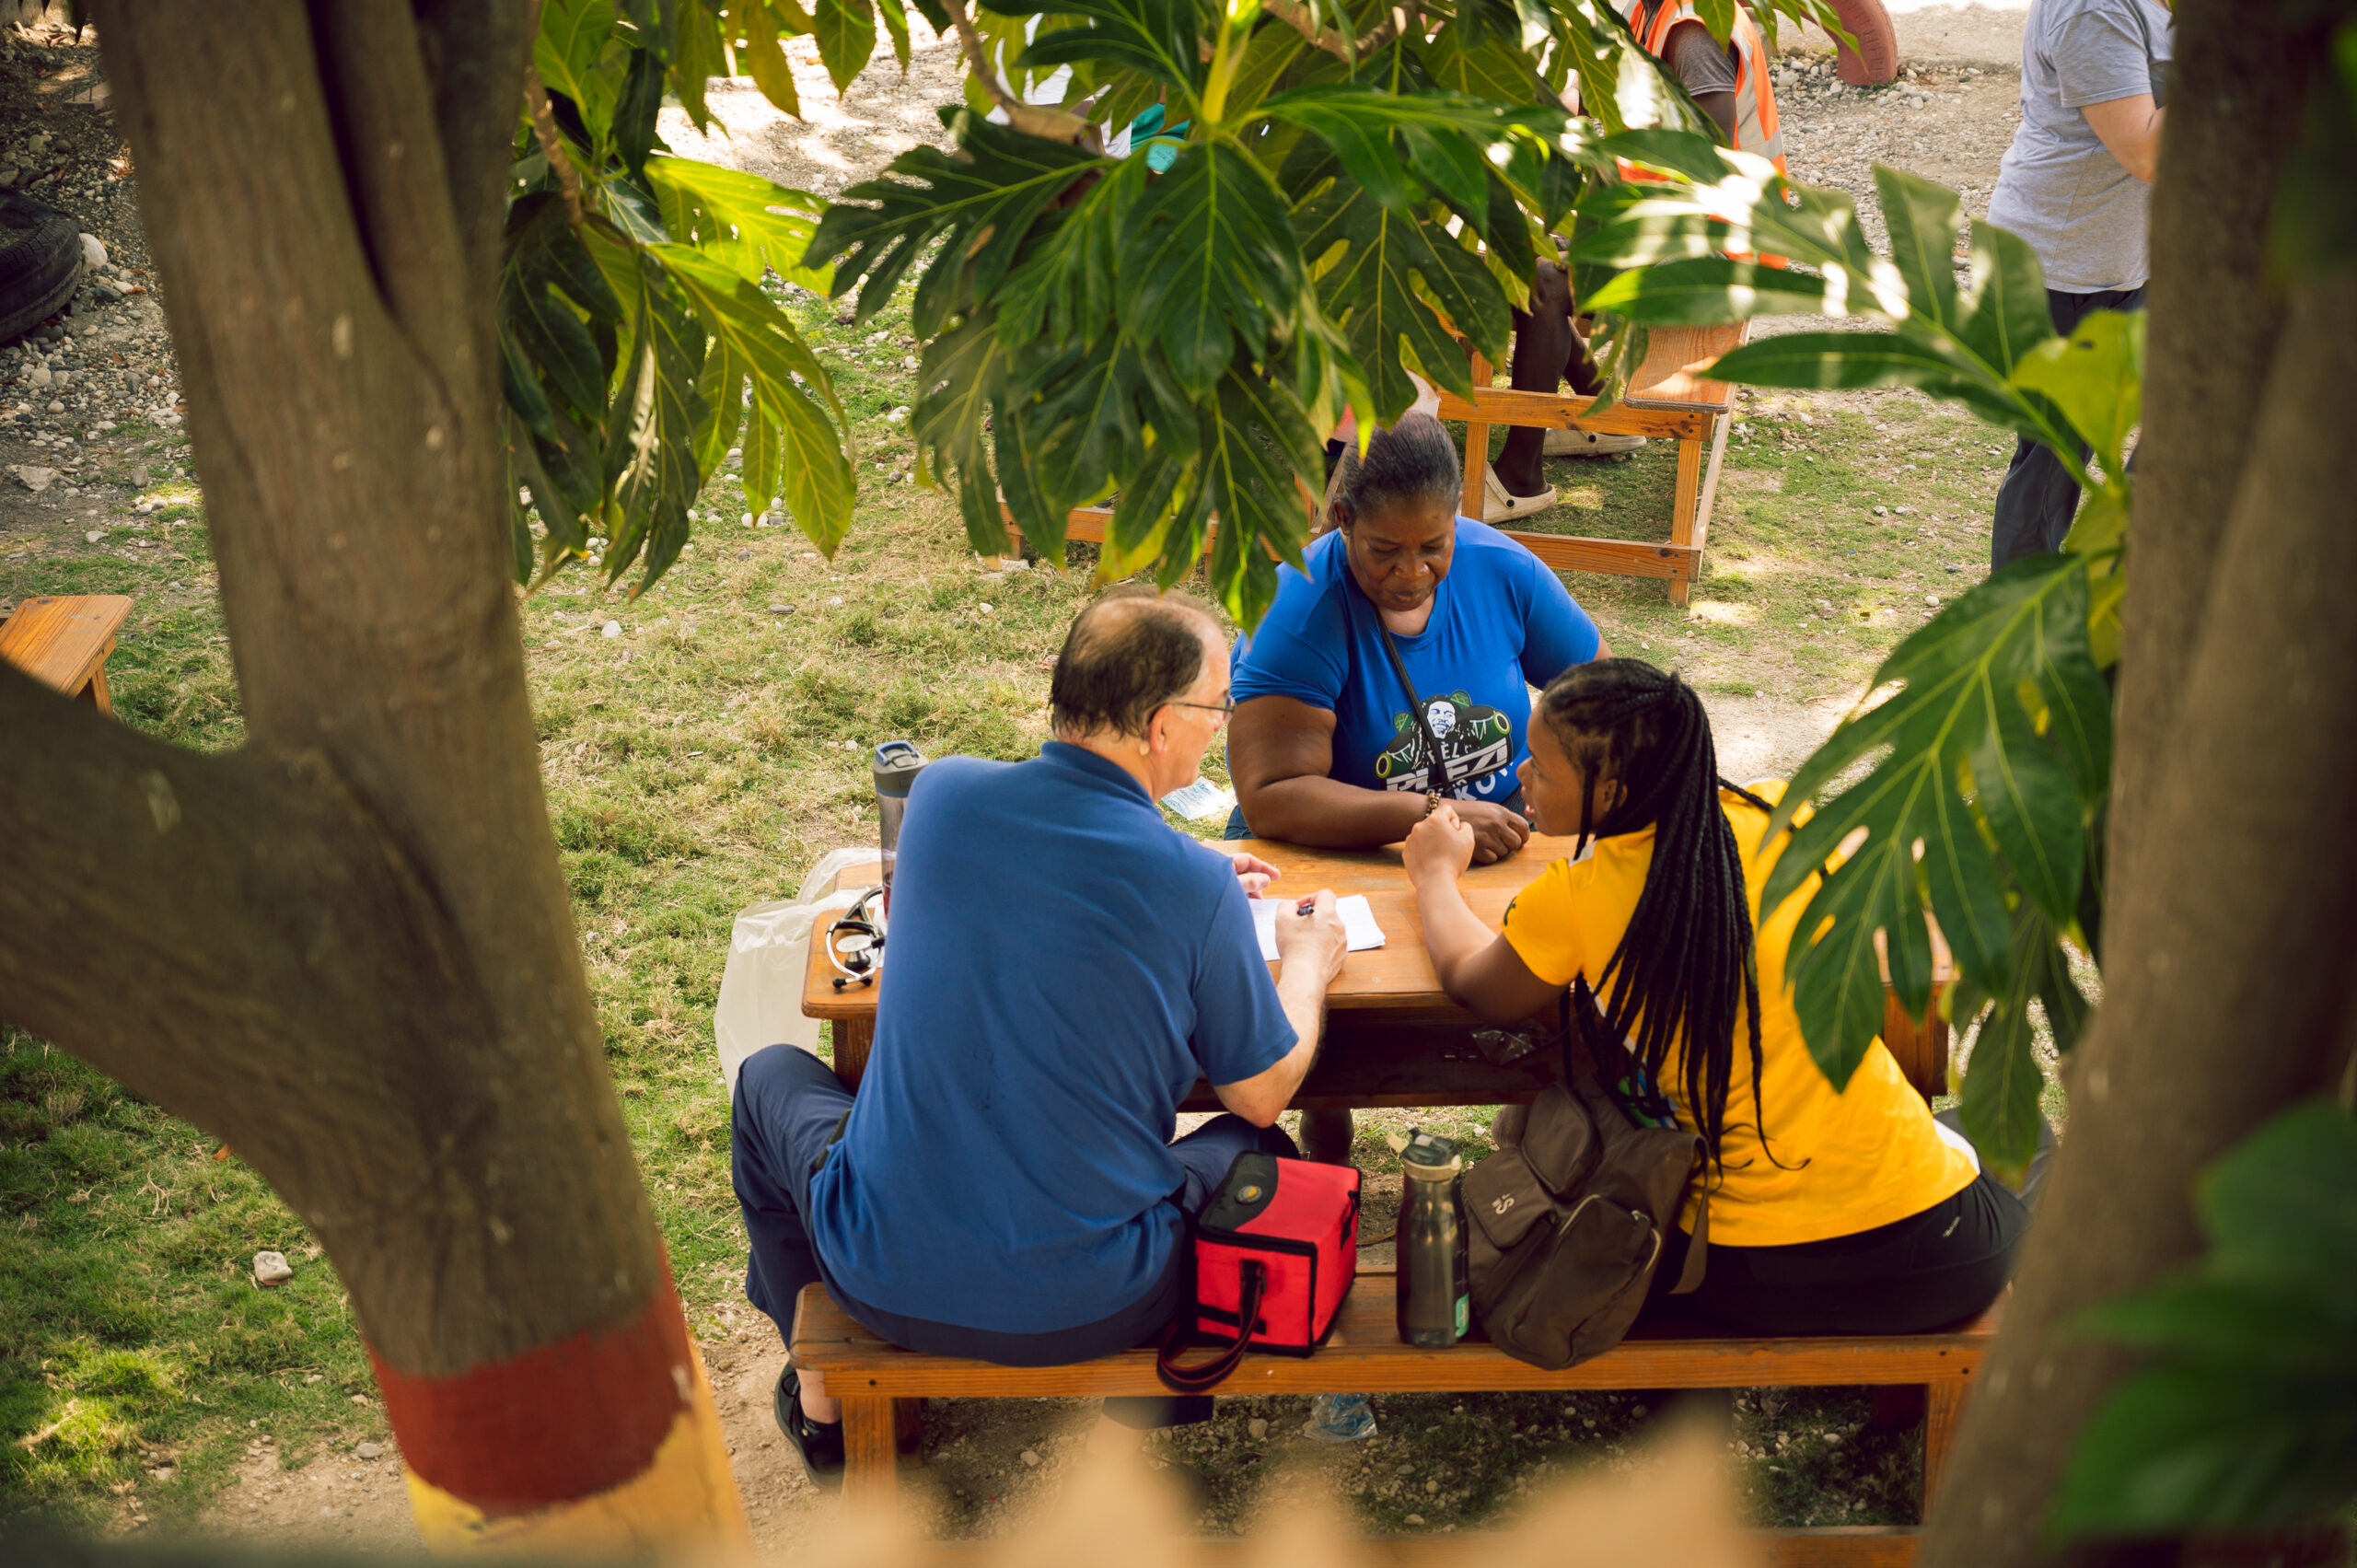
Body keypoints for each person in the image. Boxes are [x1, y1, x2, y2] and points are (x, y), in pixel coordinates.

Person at [730, 589, 1350, 1488]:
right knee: (1255, 1146)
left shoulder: (938, 797)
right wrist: (1304, 961)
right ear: (1162, 725)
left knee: (769, 1077)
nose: (1219, 728)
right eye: (1217, 708)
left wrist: (1198, 866)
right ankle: (1152, 1410)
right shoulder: (1190, 888)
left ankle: (821, 1393)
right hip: (1099, 1301)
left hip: (877, 1268)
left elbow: (1051, 868)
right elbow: (1259, 1089)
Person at [1402, 658, 2027, 1334]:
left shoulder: (1578, 897)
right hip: (1924, 1262)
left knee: (1987, 1143)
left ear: (1611, 793)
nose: (1523, 771)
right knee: (2021, 1143)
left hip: (1738, 1273)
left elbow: (1475, 982)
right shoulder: (1780, 815)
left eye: (1544, 768)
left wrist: (1435, 874)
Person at [1225, 412, 1605, 1166]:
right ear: (1342, 521)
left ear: (1457, 518)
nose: (1411, 572)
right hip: (1339, 866)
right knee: (1337, 1020)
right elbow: (1271, 792)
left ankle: (1526, 1133)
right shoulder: (1298, 608)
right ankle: (1324, 1136)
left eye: (1434, 546)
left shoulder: (1506, 572)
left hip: (1497, 853)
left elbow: (1600, 698)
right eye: (1384, 551)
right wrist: (1428, 811)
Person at [1484, 0, 1790, 518]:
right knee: (1525, 252)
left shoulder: (1691, 33)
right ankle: (1597, 412)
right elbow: (1587, 104)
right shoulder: (1649, 13)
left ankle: (1521, 477)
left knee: (1545, 284)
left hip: (1718, 250)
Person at [1985, 0, 2169, 568]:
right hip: (2060, 265)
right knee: (2053, 462)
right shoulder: (2093, 7)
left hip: (2132, 259)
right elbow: (2143, 151)